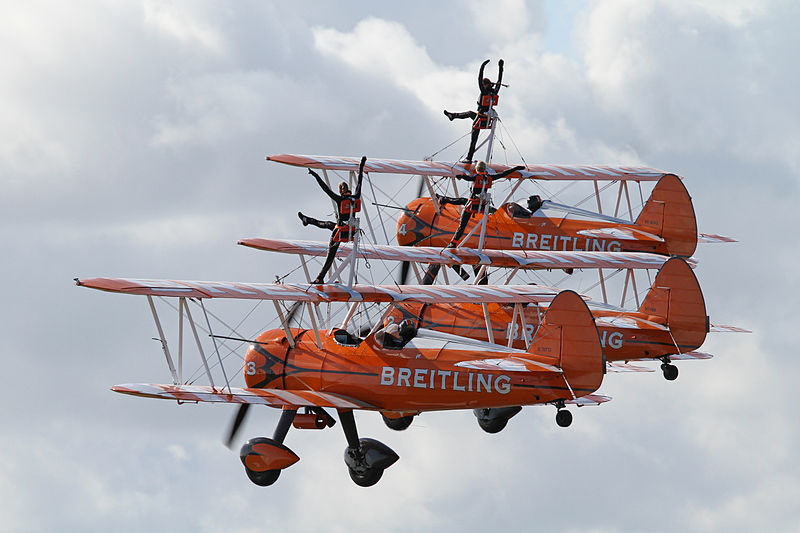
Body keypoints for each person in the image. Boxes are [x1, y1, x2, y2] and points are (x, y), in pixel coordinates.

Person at [298, 156, 366, 284]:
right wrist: (361, 166)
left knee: (330, 256)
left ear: (340, 190)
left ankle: (320, 278)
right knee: (328, 224)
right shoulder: (355, 196)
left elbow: (325, 189)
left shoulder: (339, 199)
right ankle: (307, 220)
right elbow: (360, 182)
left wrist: (316, 175)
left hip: (340, 233)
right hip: (351, 231)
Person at [439, 160, 525, 248]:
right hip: (483, 205)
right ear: (485, 169)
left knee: (462, 226)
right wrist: (516, 168)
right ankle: (443, 199)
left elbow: (467, 178)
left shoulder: (475, 177)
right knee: (464, 201)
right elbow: (503, 173)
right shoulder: (490, 177)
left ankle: (453, 243)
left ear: (477, 169)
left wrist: (460, 176)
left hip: (471, 205)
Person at [443, 59, 504, 162]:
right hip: (487, 119)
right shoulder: (495, 92)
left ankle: (469, 158)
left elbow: (479, 79)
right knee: (470, 113)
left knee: (474, 139)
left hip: (480, 119)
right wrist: (501, 67)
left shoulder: (484, 92)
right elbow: (499, 81)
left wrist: (482, 67)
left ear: (485, 85)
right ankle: (453, 116)